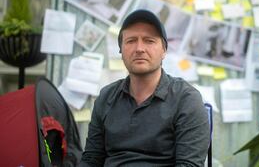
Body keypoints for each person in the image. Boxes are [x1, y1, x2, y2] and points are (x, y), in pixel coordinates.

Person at [80, 9, 210, 166]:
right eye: (131, 41)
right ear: (121, 50)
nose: (139, 48)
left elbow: (189, 165)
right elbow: (91, 160)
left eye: (149, 41)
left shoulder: (186, 99)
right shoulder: (106, 97)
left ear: (164, 51)